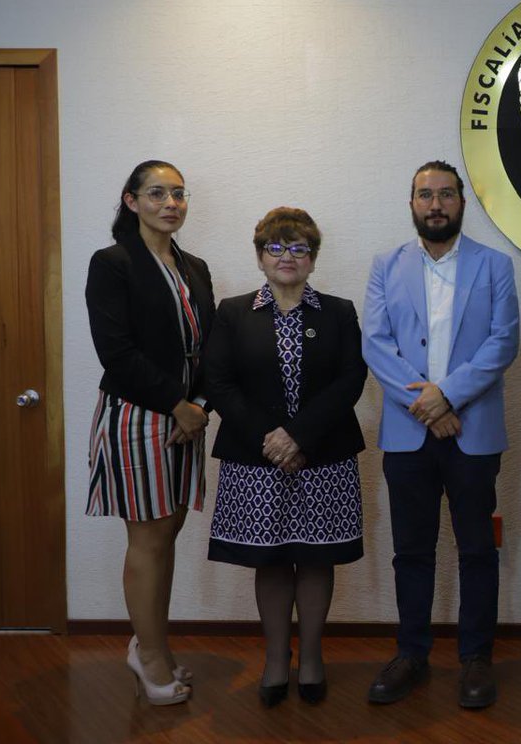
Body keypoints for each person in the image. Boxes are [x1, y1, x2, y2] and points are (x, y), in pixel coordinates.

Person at [361, 160, 518, 709]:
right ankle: (412, 654)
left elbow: (502, 343)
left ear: (461, 203)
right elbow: (376, 344)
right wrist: (427, 405)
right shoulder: (386, 266)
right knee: (412, 550)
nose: (435, 205)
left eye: (446, 195)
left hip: (473, 435)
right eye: (425, 195)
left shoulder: (495, 265)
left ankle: (476, 659)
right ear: (411, 204)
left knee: (478, 550)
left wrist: (446, 396)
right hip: (409, 436)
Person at [205, 207, 367, 707]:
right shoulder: (233, 312)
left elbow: (350, 380)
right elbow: (219, 381)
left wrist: (298, 436)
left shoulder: (338, 312)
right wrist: (271, 440)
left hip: (324, 458)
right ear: (259, 257)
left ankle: (312, 658)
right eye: (275, 247)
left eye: (298, 248)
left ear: (313, 259)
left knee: (316, 559)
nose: (287, 257)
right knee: (270, 560)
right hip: (256, 461)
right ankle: (277, 660)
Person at [85, 160, 214, 705]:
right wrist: (175, 404)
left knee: (169, 535)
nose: (170, 203)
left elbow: (209, 345)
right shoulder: (113, 263)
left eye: (178, 194)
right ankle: (151, 656)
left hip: (187, 417)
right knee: (148, 537)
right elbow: (115, 352)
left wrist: (198, 404)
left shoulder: (196, 267)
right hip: (140, 412)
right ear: (131, 200)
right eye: (157, 193)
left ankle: (149, 643)